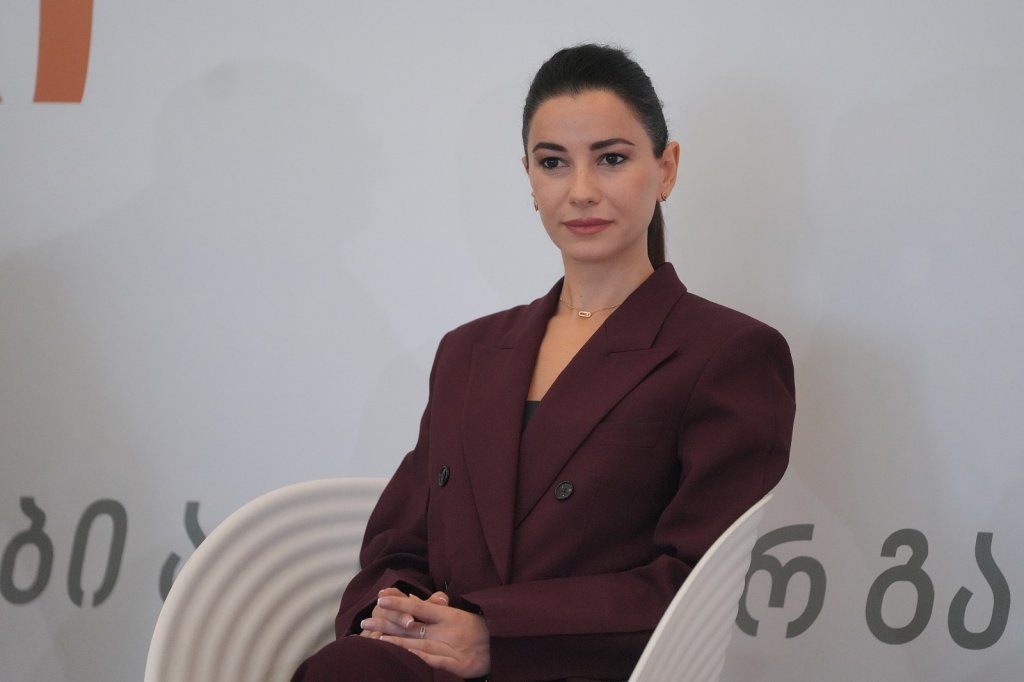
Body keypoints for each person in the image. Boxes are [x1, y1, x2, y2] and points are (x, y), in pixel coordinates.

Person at [293, 43, 795, 682]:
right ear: (530, 179)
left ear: (667, 169)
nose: (581, 192)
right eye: (553, 162)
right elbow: (398, 544)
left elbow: (693, 585)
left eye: (611, 159)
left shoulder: (728, 353)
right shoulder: (468, 352)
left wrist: (496, 635)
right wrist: (399, 618)